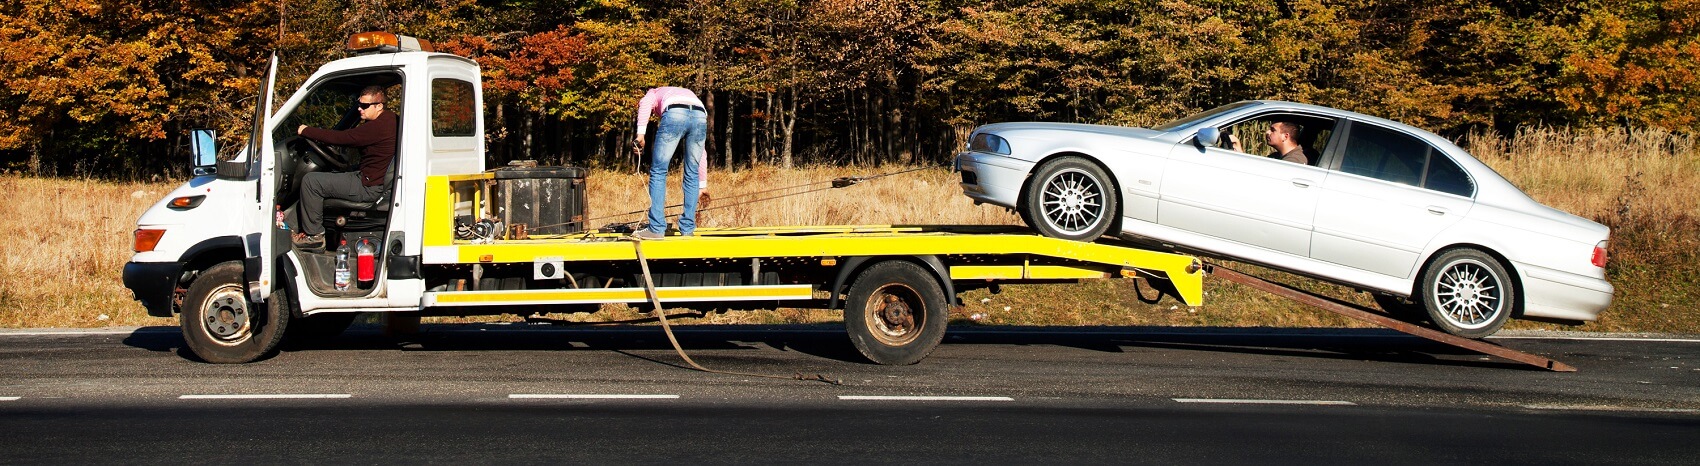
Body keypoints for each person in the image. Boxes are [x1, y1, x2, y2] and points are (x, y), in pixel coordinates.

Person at [290, 85, 398, 250]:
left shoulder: (378, 126)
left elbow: (343, 138)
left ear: (379, 106)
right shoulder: (390, 119)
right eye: (358, 105)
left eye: (365, 106)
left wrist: (306, 130)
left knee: (311, 181)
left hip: (368, 187)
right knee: (331, 176)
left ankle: (314, 236)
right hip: (372, 179)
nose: (360, 109)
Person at [631, 86, 710, 239]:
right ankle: (687, 230)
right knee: (692, 172)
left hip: (674, 113)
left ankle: (656, 228)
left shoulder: (653, 92)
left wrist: (641, 134)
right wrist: (702, 185)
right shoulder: (688, 93)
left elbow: (645, 103)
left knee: (659, 171)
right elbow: (702, 153)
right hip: (700, 115)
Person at [1229, 120, 1309, 165]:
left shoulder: (1294, 160)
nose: (1267, 132)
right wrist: (1240, 153)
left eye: (1273, 130)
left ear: (1285, 136)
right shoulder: (1277, 156)